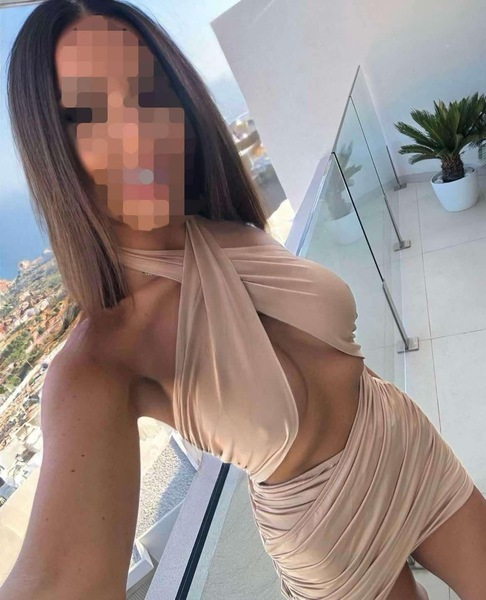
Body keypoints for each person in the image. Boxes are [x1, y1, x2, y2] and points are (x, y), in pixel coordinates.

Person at [1, 1, 485, 599]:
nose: (139, 134)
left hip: (408, 445)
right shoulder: (102, 360)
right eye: (87, 113)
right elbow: (53, 581)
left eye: (149, 93)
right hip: (334, 541)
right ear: (53, 148)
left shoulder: (227, 227)